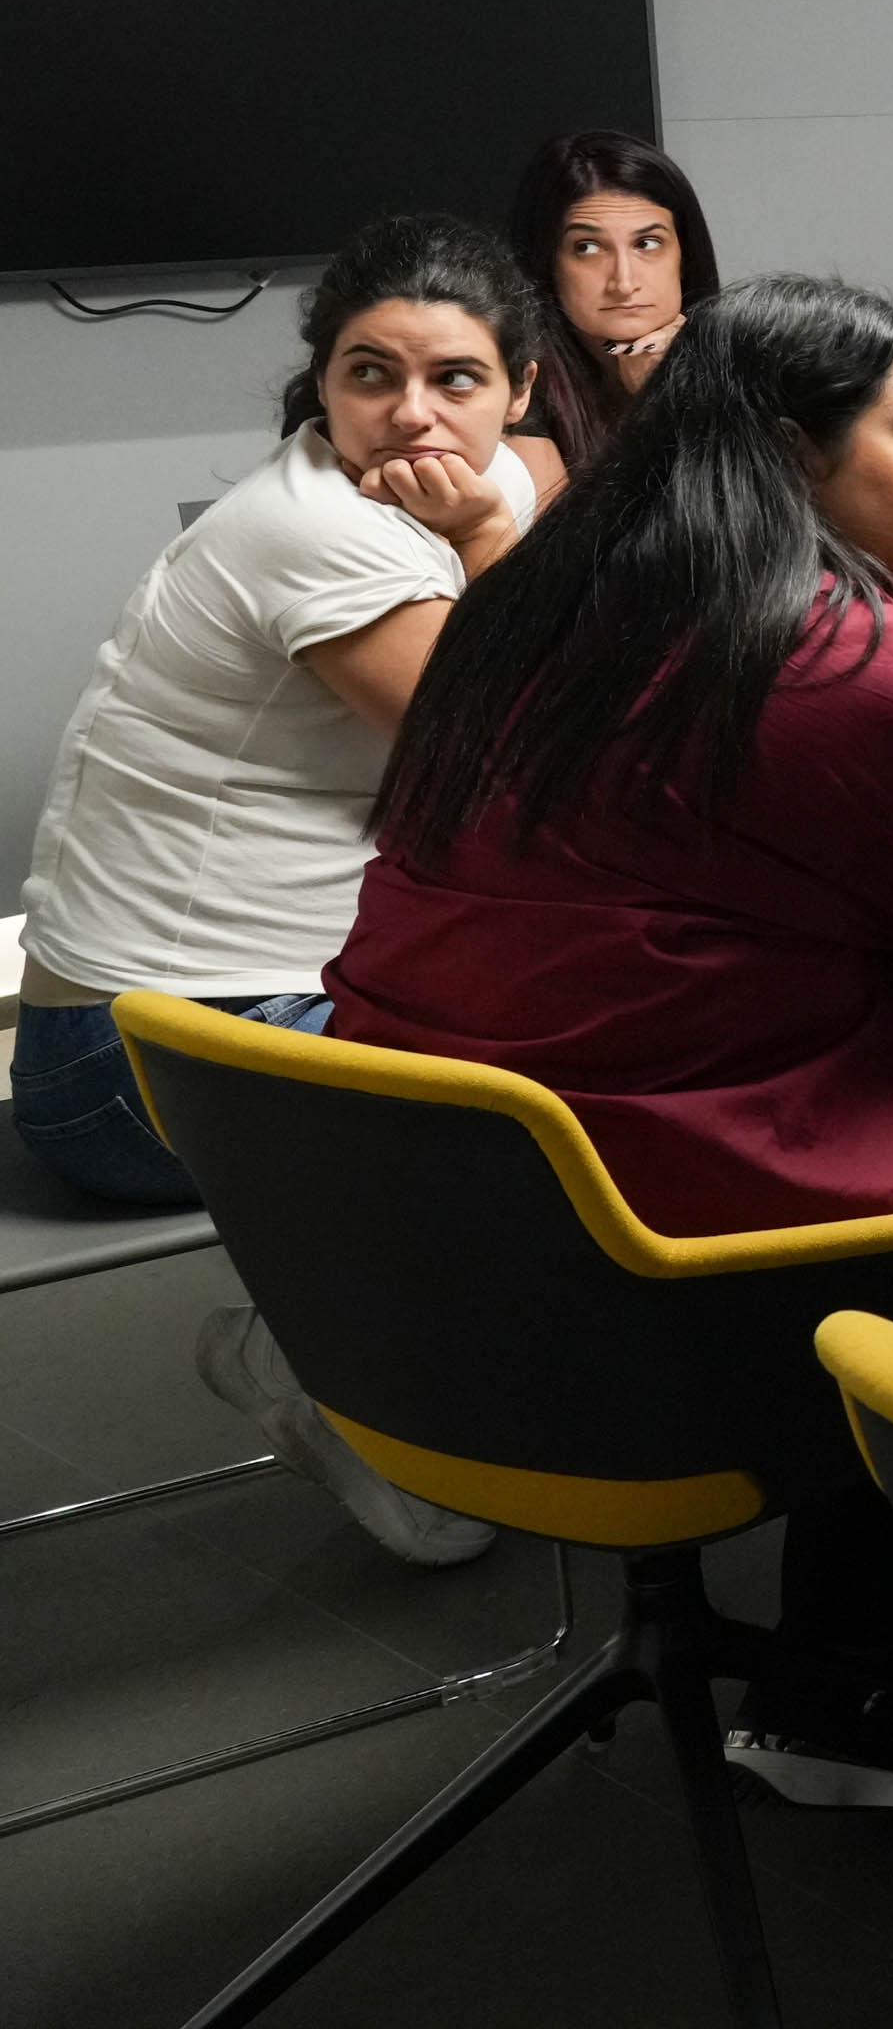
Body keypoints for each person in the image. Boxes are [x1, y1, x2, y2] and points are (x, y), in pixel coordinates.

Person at [326, 274, 893, 1807]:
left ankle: (856, 1660)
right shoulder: (859, 663)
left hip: (418, 1266)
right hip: (665, 1295)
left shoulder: (522, 613)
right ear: (796, 454)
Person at [16, 219, 560, 1569]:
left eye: (455, 379)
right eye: (371, 374)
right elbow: (514, 778)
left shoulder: (465, 477)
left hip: (236, 1002)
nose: (411, 414)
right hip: (127, 1066)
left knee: (613, 1039)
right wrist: (497, 538)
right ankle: (314, 1359)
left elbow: (549, 474)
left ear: (520, 389)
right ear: (322, 385)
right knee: (564, 1101)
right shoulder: (320, 532)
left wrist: (505, 512)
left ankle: (438, 1370)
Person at [505, 128, 722, 473]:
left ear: (685, 257)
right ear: (547, 265)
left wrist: (677, 393)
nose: (624, 283)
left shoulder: (743, 374)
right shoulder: (516, 404)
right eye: (587, 248)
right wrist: (652, 408)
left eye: (647, 244)